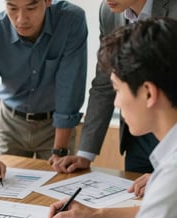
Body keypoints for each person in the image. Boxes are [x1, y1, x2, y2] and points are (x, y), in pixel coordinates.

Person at [49, 18, 177, 218]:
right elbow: (164, 217)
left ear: (148, 93)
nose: (116, 102)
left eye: (118, 90)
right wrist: (97, 216)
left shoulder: (172, 177)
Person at [52, 0, 177, 197]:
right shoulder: (109, 12)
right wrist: (85, 153)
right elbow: (104, 84)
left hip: (171, 130)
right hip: (136, 136)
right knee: (135, 202)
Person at [0, 0, 87, 183]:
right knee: (1, 187)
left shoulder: (70, 21)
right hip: (10, 123)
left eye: (31, 8)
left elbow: (69, 88)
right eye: (12, 8)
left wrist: (59, 150)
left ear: (48, 1)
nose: (21, 19)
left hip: (55, 127)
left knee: (57, 189)